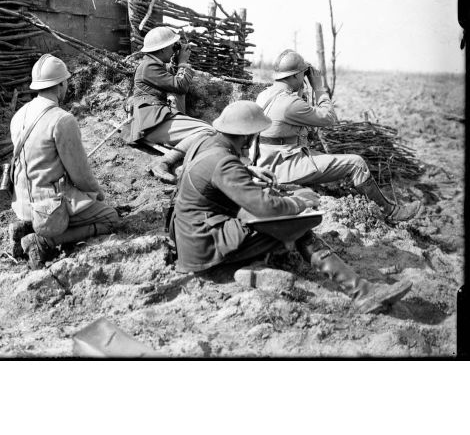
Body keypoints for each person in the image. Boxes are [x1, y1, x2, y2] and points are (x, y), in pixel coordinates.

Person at [172, 100, 412, 314]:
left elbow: (208, 174)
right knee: (297, 228)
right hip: (204, 244)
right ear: (247, 135)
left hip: (190, 234)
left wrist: (248, 170)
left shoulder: (206, 143)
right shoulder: (224, 163)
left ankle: (251, 268)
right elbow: (265, 207)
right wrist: (299, 202)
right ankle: (363, 293)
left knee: (273, 225)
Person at [254, 50, 421, 222]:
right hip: (284, 166)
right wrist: (318, 87)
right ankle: (391, 212)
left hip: (267, 161)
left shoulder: (264, 95)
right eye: (303, 75)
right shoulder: (290, 102)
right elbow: (330, 118)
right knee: (356, 163)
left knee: (327, 159)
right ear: (296, 76)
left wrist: (301, 89)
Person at [9, 54, 119, 269]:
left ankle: (27, 226)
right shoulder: (62, 119)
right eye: (66, 81)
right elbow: (81, 175)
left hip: (21, 203)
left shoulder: (19, 114)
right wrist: (97, 194)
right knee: (110, 217)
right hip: (49, 207)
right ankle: (42, 241)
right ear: (60, 85)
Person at [128, 26, 214, 184]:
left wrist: (177, 62)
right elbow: (180, 85)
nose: (175, 49)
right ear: (161, 49)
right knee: (208, 131)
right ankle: (163, 163)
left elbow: (174, 84)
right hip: (152, 124)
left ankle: (184, 166)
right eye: (172, 46)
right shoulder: (149, 67)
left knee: (205, 132)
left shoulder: (153, 64)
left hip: (156, 121)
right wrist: (182, 62)